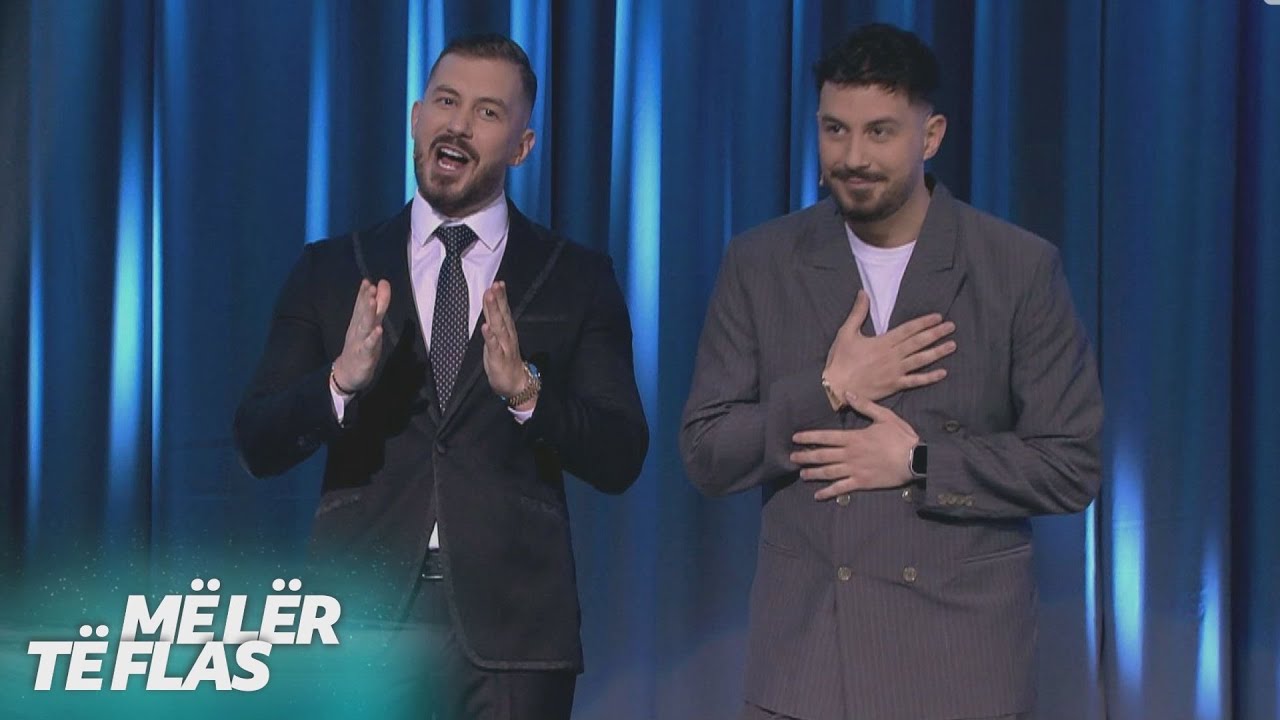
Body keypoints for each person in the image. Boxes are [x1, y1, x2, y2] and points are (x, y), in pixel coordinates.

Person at [680, 23, 1102, 720]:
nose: (852, 157)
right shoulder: (760, 263)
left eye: (879, 132)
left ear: (930, 136)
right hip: (806, 670)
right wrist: (829, 388)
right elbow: (706, 453)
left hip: (958, 669)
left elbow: (1071, 464)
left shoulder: (1017, 268)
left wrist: (920, 461)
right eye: (835, 130)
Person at [234, 33, 648, 720]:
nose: (458, 124)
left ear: (522, 146)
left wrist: (527, 394)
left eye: (487, 112)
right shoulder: (331, 268)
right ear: (416, 116)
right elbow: (257, 441)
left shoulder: (576, 277)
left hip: (514, 632)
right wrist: (339, 383)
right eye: (447, 102)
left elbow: (621, 453)